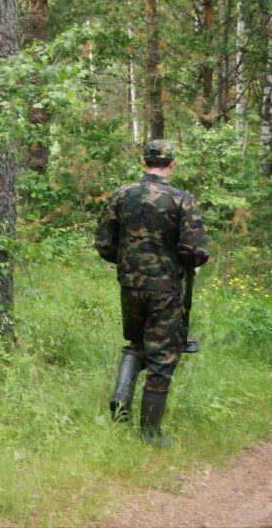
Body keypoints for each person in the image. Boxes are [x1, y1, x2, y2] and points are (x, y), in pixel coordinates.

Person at [95, 139, 209, 446]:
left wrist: (128, 263)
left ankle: (121, 398)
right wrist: (179, 262)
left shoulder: (121, 195)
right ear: (171, 164)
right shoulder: (182, 200)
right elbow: (196, 249)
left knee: (137, 343)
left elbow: (104, 243)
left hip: (130, 286)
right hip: (165, 290)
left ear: (144, 163)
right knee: (162, 358)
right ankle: (149, 432)